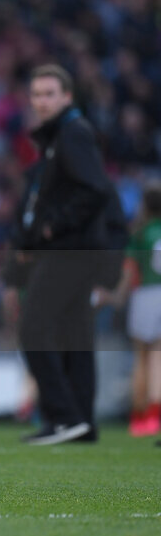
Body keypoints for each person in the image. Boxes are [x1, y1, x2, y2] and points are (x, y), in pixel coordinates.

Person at [2, 64, 114, 445]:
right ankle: (80, 422)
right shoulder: (59, 137)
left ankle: (64, 417)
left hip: (68, 250)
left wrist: (52, 227)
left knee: (33, 328)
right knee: (74, 334)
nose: (42, 101)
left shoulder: (72, 133)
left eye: (50, 94)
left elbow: (95, 190)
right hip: (75, 250)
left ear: (67, 97)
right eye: (36, 95)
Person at [122, 182, 161, 438]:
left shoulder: (139, 231)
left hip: (144, 295)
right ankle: (155, 415)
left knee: (141, 358)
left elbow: (129, 270)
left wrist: (117, 297)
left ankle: (138, 417)